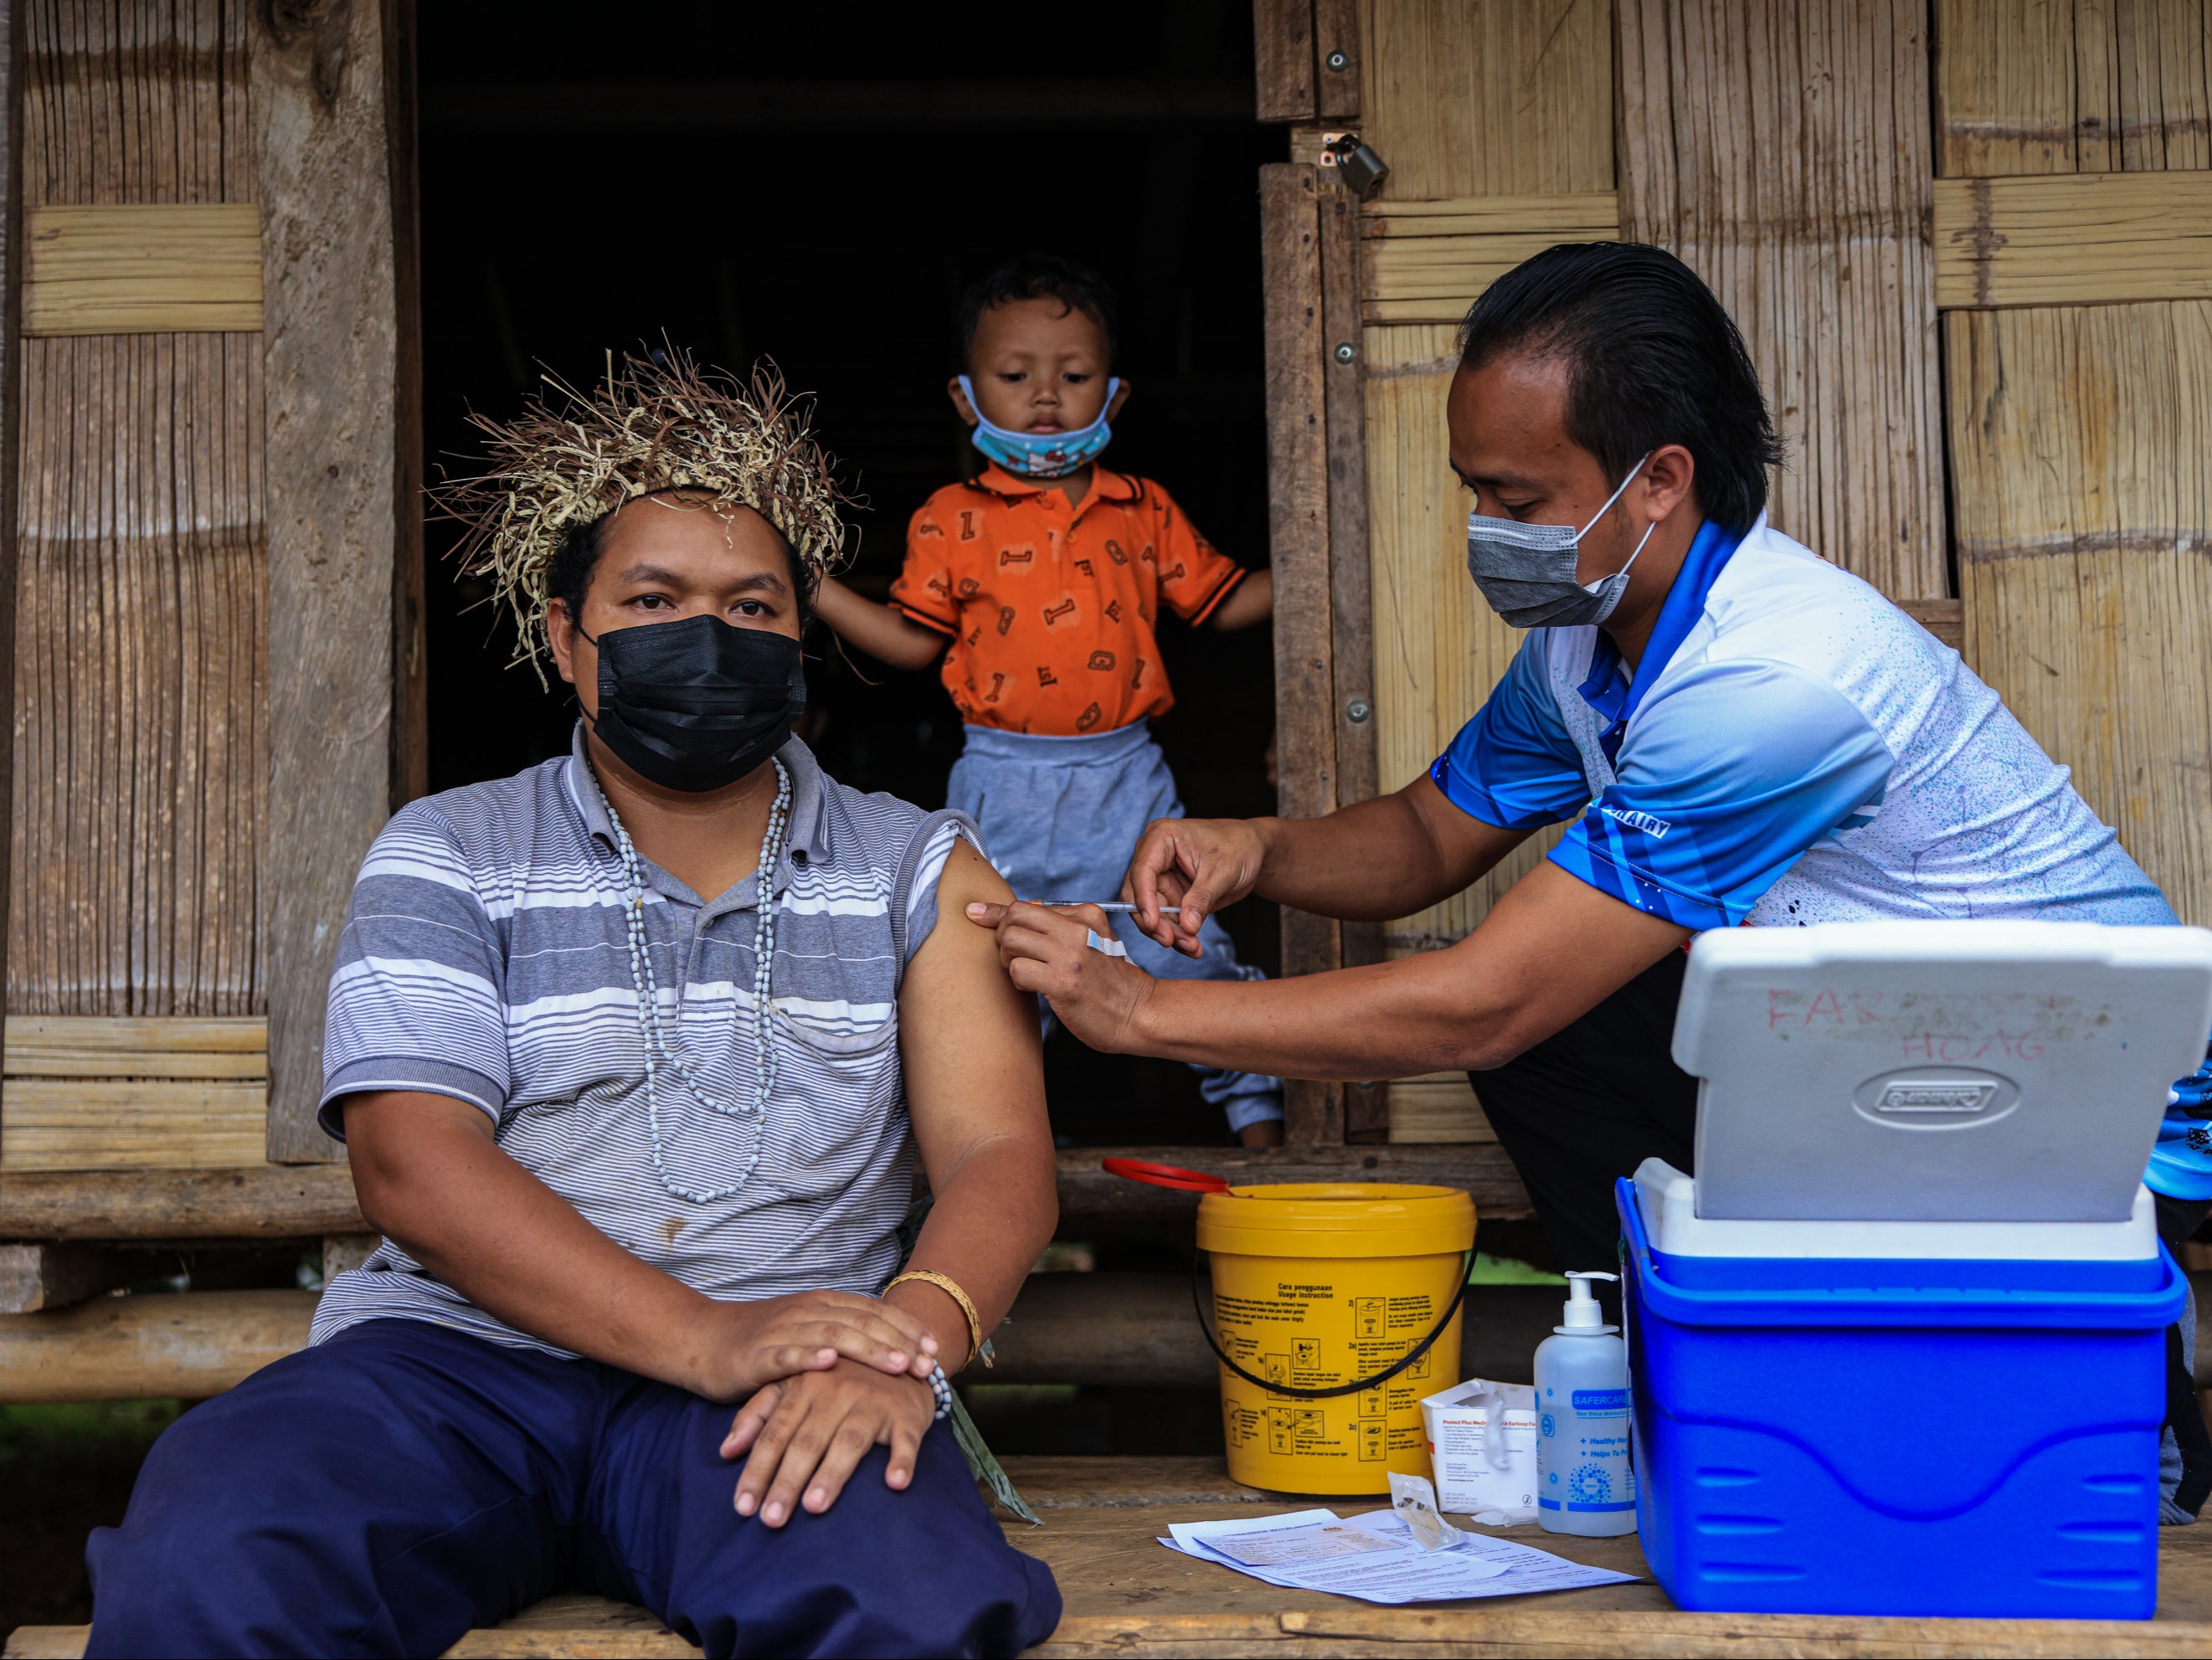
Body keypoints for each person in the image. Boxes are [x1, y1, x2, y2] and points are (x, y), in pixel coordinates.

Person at [969, 242, 2212, 1519]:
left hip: (2070, 1080)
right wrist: (1258, 847)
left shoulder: (1770, 684)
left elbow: (1480, 1001)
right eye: (1474, 493)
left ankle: (2136, 1447)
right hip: (1884, 1041)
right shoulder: (1586, 640)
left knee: (1538, 1015)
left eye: (1515, 495)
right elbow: (1424, 833)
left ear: (1658, 480)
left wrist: (1142, 1012)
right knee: (1572, 1030)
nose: (1486, 532)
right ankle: (1674, 1389)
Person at [84, 354, 1063, 1658]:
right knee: (221, 1543)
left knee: (905, 1602)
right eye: (652, 599)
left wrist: (910, 1342)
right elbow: (410, 1162)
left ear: (797, 637)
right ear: (565, 635)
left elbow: (999, 1153)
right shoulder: (450, 847)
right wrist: (700, 1334)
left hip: (788, 1373)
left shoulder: (917, 866)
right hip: (458, 1369)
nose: (704, 635)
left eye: (750, 604)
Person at [811, 253, 1287, 1146]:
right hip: (1000, 780)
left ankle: (1265, 1134)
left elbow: (1223, 604)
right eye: (1014, 375)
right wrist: (809, 590)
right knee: (990, 959)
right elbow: (910, 642)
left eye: (1072, 376)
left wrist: (1321, 558)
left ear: (1113, 395)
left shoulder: (1141, 509)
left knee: (1175, 936)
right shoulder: (949, 518)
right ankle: (997, 1158)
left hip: (1125, 777)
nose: (1044, 397)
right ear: (965, 399)